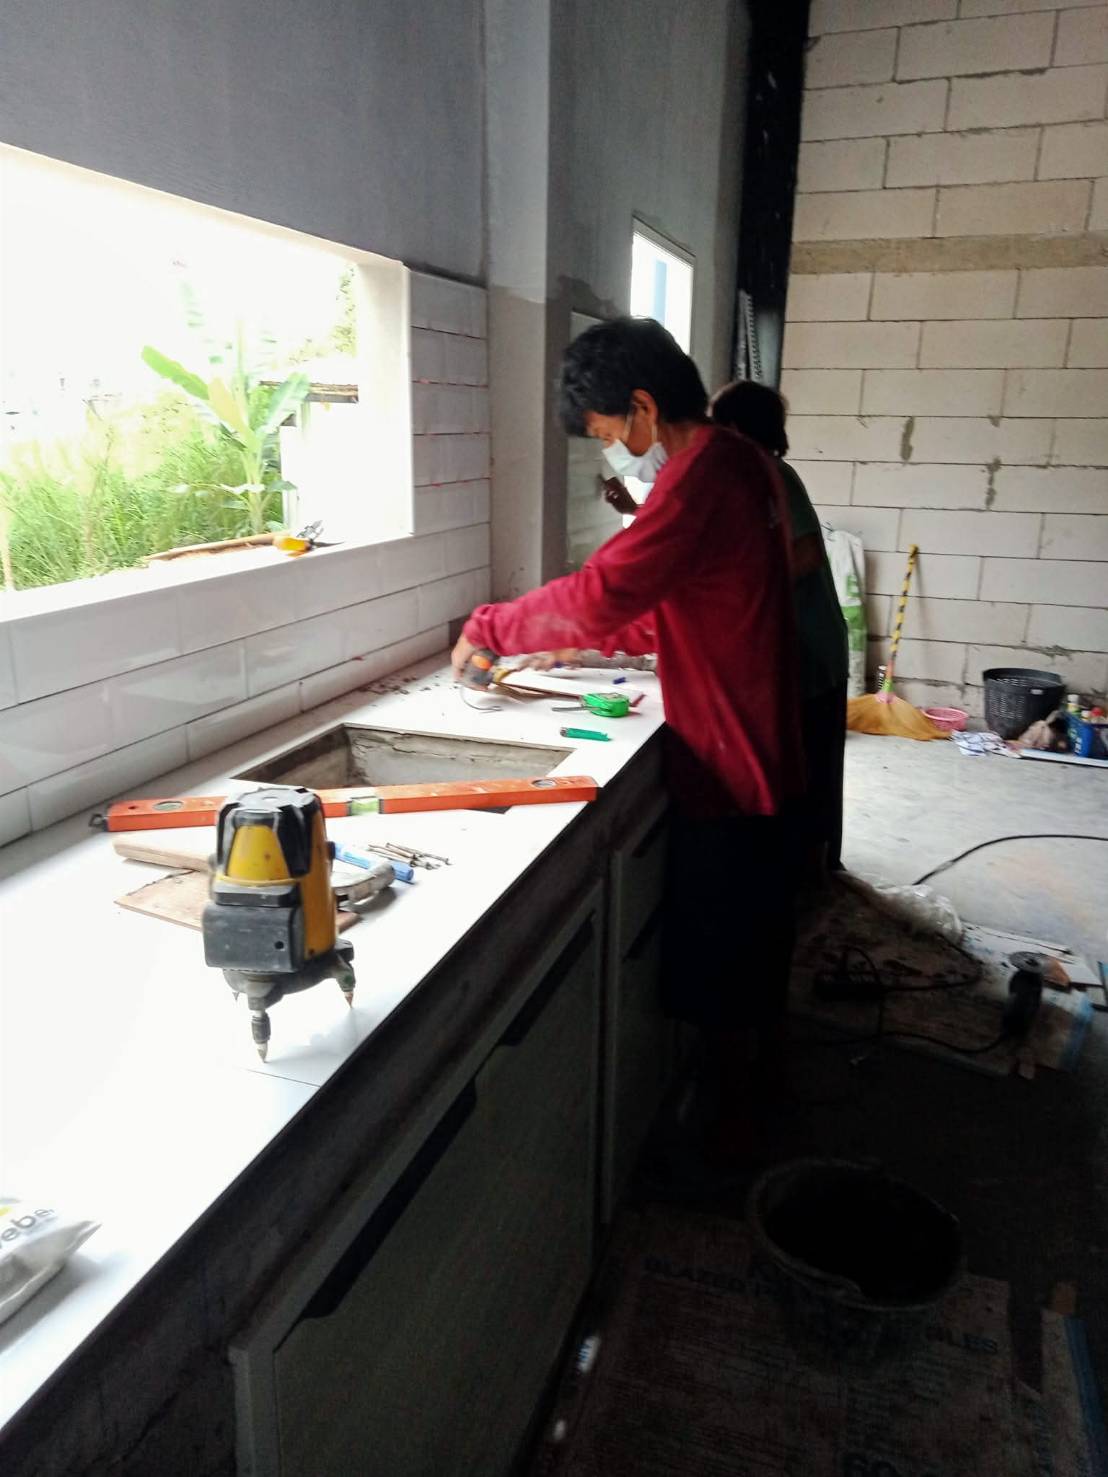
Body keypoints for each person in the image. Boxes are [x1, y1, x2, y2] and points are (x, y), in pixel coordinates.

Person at [451, 317, 805, 1162]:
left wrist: (492, 627)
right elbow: (682, 601)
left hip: (733, 754)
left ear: (644, 407)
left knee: (724, 975)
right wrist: (582, 644)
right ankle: (747, 1110)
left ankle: (730, 1153)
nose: (616, 452)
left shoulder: (698, 474)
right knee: (750, 956)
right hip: (759, 739)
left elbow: (603, 591)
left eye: (610, 431)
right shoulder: (742, 459)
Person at [709, 381, 848, 873]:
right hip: (796, 645)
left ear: (736, 429)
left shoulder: (774, 474)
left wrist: (738, 590)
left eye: (717, 426)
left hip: (809, 645)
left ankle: (814, 874)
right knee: (804, 768)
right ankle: (808, 869)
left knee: (811, 768)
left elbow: (805, 554)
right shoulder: (750, 477)